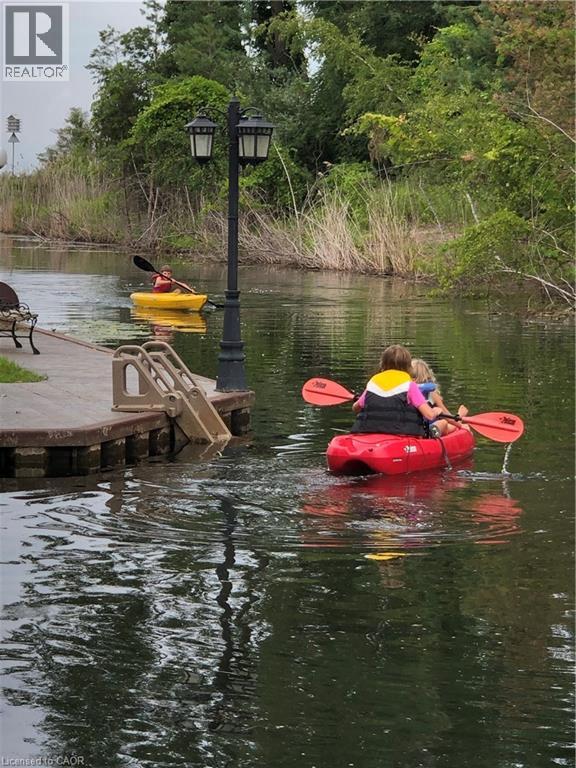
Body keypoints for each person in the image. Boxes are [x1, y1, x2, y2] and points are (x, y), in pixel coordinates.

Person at [351, 344, 451, 437]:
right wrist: (435, 411)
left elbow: (356, 408)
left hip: (369, 431)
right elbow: (429, 415)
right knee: (442, 422)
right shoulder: (410, 386)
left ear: (383, 364)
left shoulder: (373, 383)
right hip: (401, 434)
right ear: (408, 366)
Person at [411, 358, 470, 434]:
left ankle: (432, 431)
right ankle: (460, 415)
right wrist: (460, 423)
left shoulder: (404, 391)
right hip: (425, 429)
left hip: (413, 428)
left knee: (443, 422)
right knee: (444, 422)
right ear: (428, 376)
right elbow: (448, 417)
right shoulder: (432, 394)